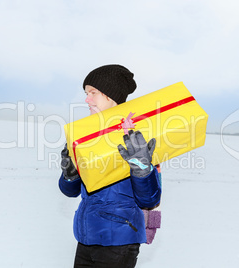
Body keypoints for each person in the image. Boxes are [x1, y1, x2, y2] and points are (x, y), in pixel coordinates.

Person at [59, 64, 162, 268]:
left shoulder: (138, 134)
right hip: (86, 238)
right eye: (86, 93)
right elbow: (69, 191)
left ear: (110, 96)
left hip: (119, 242)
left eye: (93, 93)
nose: (87, 99)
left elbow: (150, 199)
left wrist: (142, 166)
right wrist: (70, 173)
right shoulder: (87, 137)